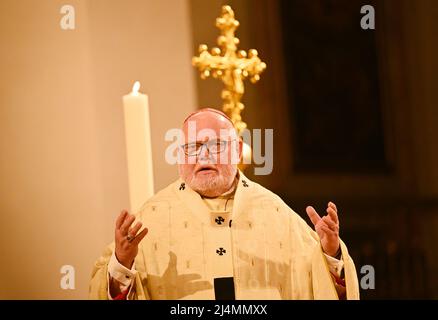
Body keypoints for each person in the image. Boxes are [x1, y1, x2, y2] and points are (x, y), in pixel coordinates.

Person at [89, 108, 360, 300]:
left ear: (237, 150)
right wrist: (122, 263)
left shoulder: (273, 211)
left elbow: (321, 286)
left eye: (215, 145)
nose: (202, 156)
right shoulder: (153, 216)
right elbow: (108, 289)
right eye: (191, 148)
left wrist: (330, 253)